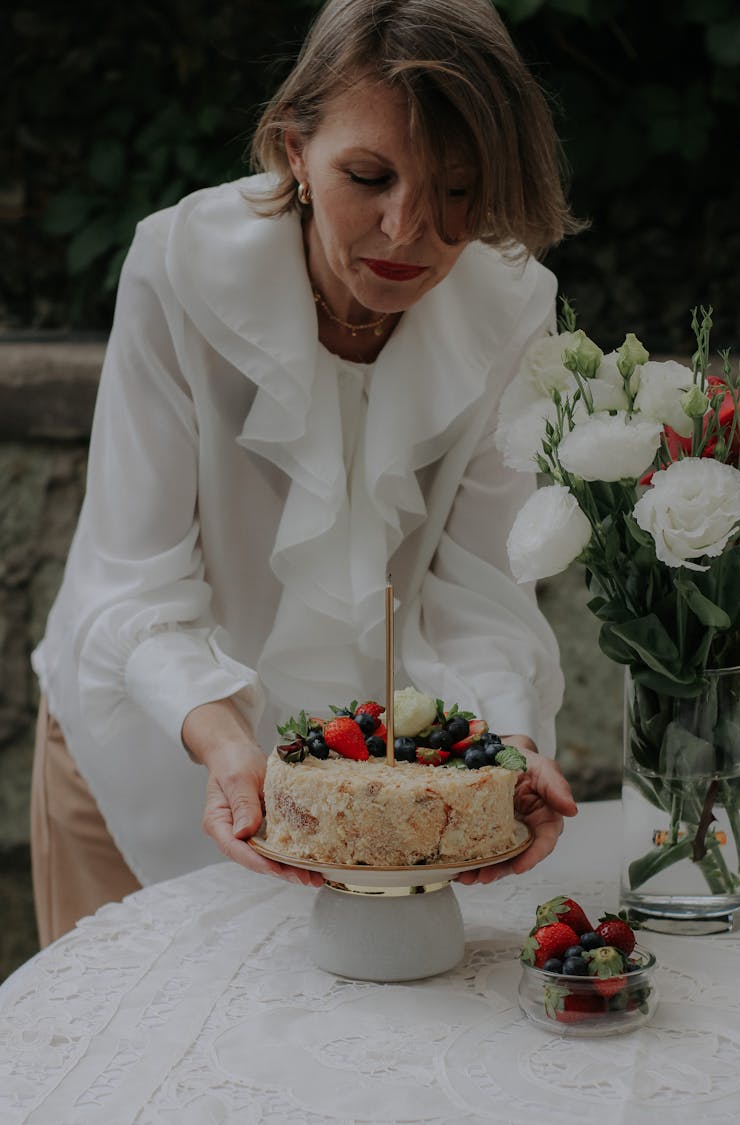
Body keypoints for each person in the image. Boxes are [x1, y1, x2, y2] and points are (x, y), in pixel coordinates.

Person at [30, 0, 580, 946]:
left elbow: (482, 590)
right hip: (145, 749)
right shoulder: (178, 266)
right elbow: (136, 581)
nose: (409, 228)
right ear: (294, 151)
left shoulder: (516, 304)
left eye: (459, 190)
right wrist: (230, 749)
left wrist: (509, 747)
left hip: (372, 810)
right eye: (367, 176)